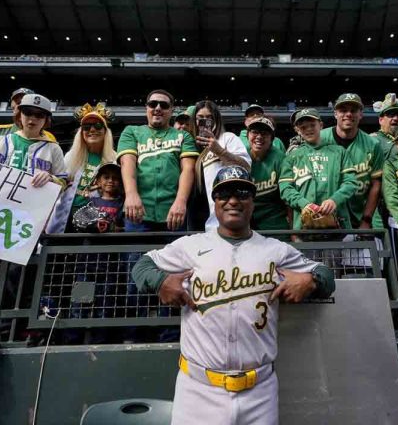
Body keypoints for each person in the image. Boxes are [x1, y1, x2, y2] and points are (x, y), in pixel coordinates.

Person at [131, 165, 335, 425]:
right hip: (197, 390)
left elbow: (327, 276)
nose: (233, 200)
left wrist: (311, 280)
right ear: (214, 202)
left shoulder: (276, 250)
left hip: (259, 390)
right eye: (224, 193)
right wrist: (160, 281)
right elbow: (141, 266)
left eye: (242, 193)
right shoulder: (190, 246)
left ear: (253, 201)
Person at [117, 89, 199, 233]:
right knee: (136, 256)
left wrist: (180, 202)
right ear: (146, 108)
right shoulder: (131, 131)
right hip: (137, 211)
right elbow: (127, 163)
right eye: (153, 104)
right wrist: (131, 195)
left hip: (174, 214)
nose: (158, 108)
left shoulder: (183, 136)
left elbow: (188, 169)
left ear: (171, 110)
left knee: (174, 256)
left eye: (164, 105)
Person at [279, 108, 358, 230]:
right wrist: (304, 204)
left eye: (312, 125)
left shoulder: (339, 152)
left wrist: (334, 200)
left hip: (339, 226)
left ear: (320, 125)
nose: (309, 129)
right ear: (297, 130)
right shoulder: (292, 157)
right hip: (304, 227)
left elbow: (351, 183)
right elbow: (285, 189)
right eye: (304, 127)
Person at [47, 103, 117, 233]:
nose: (92, 130)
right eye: (86, 127)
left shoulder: (114, 159)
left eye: (97, 126)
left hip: (97, 220)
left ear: (105, 132)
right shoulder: (71, 156)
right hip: (65, 214)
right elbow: (59, 183)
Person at [320, 93, 384, 229]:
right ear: (335, 114)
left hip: (362, 211)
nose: (348, 114)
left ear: (361, 114)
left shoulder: (373, 144)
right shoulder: (320, 139)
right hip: (327, 213)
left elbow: (376, 184)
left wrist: (366, 220)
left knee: (377, 246)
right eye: (343, 110)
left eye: (353, 110)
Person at [0, 93, 67, 188]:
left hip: (31, 201)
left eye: (39, 115)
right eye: (28, 112)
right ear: (19, 115)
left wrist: (51, 179)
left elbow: (63, 183)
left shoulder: (54, 148)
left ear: (46, 120)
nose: (32, 118)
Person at [190, 100, 251, 231]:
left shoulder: (228, 138)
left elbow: (246, 167)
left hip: (227, 217)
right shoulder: (194, 147)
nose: (204, 121)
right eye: (200, 118)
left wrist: (219, 150)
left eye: (209, 117)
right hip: (203, 220)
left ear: (216, 119)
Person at [0, 88, 57, 155]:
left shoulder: (48, 137)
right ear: (12, 106)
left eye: (24, 102)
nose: (19, 105)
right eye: (17, 102)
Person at [246, 116, 289, 230]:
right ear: (248, 135)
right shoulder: (241, 155)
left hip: (274, 218)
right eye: (255, 132)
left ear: (272, 139)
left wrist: (293, 230)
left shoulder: (280, 158)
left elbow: (288, 198)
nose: (259, 137)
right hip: (246, 218)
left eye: (264, 133)